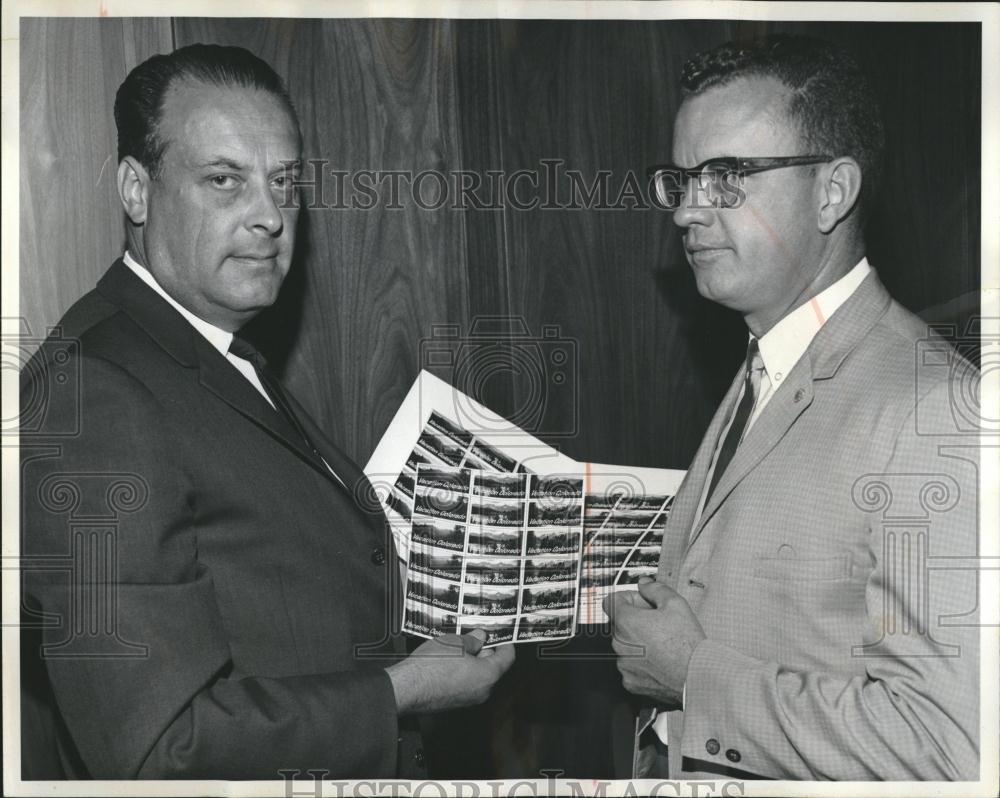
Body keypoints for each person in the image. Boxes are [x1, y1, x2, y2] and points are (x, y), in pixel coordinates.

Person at [20, 43, 513, 780]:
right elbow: (157, 749)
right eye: (225, 180)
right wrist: (404, 689)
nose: (270, 217)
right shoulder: (95, 389)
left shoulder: (214, 348)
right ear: (136, 190)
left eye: (284, 183)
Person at [606, 34, 980, 781]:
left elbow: (948, 751)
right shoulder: (764, 364)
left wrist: (693, 679)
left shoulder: (936, 407)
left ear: (833, 192)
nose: (686, 211)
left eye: (727, 176)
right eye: (680, 180)